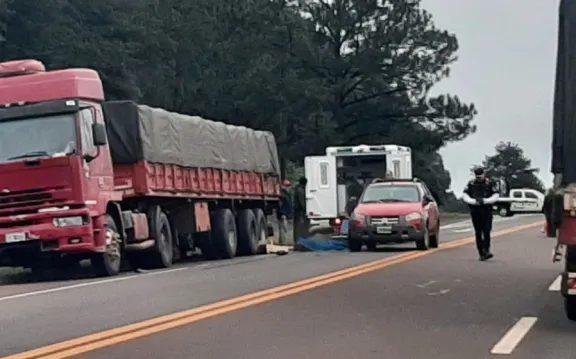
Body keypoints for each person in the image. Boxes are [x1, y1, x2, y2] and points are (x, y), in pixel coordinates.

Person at [462, 168, 500, 261]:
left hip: (486, 210)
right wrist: (473, 201)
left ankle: (486, 250)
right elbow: (465, 195)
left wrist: (486, 201)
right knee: (478, 232)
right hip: (475, 210)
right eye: (477, 177)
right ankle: (481, 253)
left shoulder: (490, 183)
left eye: (480, 176)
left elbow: (495, 195)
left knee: (487, 230)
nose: (479, 178)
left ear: (484, 175)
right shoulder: (471, 184)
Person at [292, 176, 309, 245]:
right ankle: (300, 241)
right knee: (300, 226)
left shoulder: (297, 188)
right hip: (299, 211)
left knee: (297, 226)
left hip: (297, 211)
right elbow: (302, 202)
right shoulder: (300, 190)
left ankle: (298, 241)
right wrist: (306, 210)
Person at [277, 179, 293, 245]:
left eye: (288, 186)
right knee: (283, 229)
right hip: (283, 215)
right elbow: (280, 205)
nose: (288, 187)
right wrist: (282, 214)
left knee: (284, 229)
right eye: (287, 186)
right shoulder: (282, 195)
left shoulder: (286, 194)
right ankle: (282, 243)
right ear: (283, 186)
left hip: (286, 215)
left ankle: (283, 243)